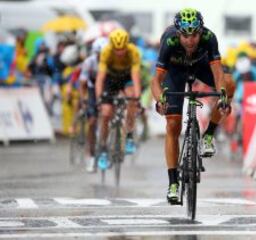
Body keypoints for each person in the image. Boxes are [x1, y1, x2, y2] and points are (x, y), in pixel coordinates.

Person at [151, 8, 235, 203]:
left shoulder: (209, 38)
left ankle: (208, 136)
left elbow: (217, 73)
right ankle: (173, 183)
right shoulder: (169, 40)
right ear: (178, 33)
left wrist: (223, 96)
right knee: (173, 125)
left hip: (201, 65)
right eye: (186, 36)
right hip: (175, 71)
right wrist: (160, 100)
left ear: (201, 31)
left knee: (229, 83)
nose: (191, 40)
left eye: (195, 35)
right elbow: (156, 80)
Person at [95, 29, 142, 169]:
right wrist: (99, 98)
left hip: (126, 77)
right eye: (117, 49)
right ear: (112, 46)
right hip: (111, 79)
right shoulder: (106, 52)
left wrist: (137, 97)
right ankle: (103, 148)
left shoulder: (133, 51)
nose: (120, 52)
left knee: (132, 98)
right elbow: (100, 78)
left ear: (127, 45)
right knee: (106, 114)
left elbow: (135, 77)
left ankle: (129, 135)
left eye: (122, 49)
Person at [79, 37, 108, 172]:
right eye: (98, 54)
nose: (101, 57)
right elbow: (83, 83)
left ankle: (106, 146)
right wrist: (83, 99)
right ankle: (91, 156)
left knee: (108, 116)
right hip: (91, 90)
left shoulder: (110, 62)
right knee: (92, 122)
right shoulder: (89, 62)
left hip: (107, 89)